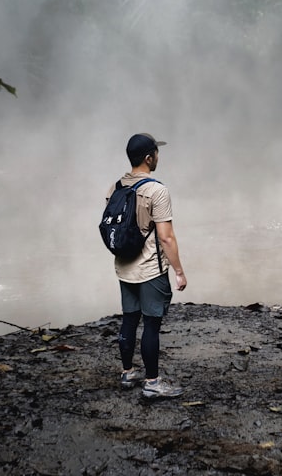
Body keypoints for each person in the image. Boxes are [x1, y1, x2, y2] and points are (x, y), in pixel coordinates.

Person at [108, 132, 188, 399]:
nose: (158, 157)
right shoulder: (156, 190)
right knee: (151, 324)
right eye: (156, 152)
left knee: (130, 319)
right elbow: (166, 236)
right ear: (148, 157)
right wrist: (178, 270)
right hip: (150, 268)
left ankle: (128, 373)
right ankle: (153, 382)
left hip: (124, 265)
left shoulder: (116, 187)